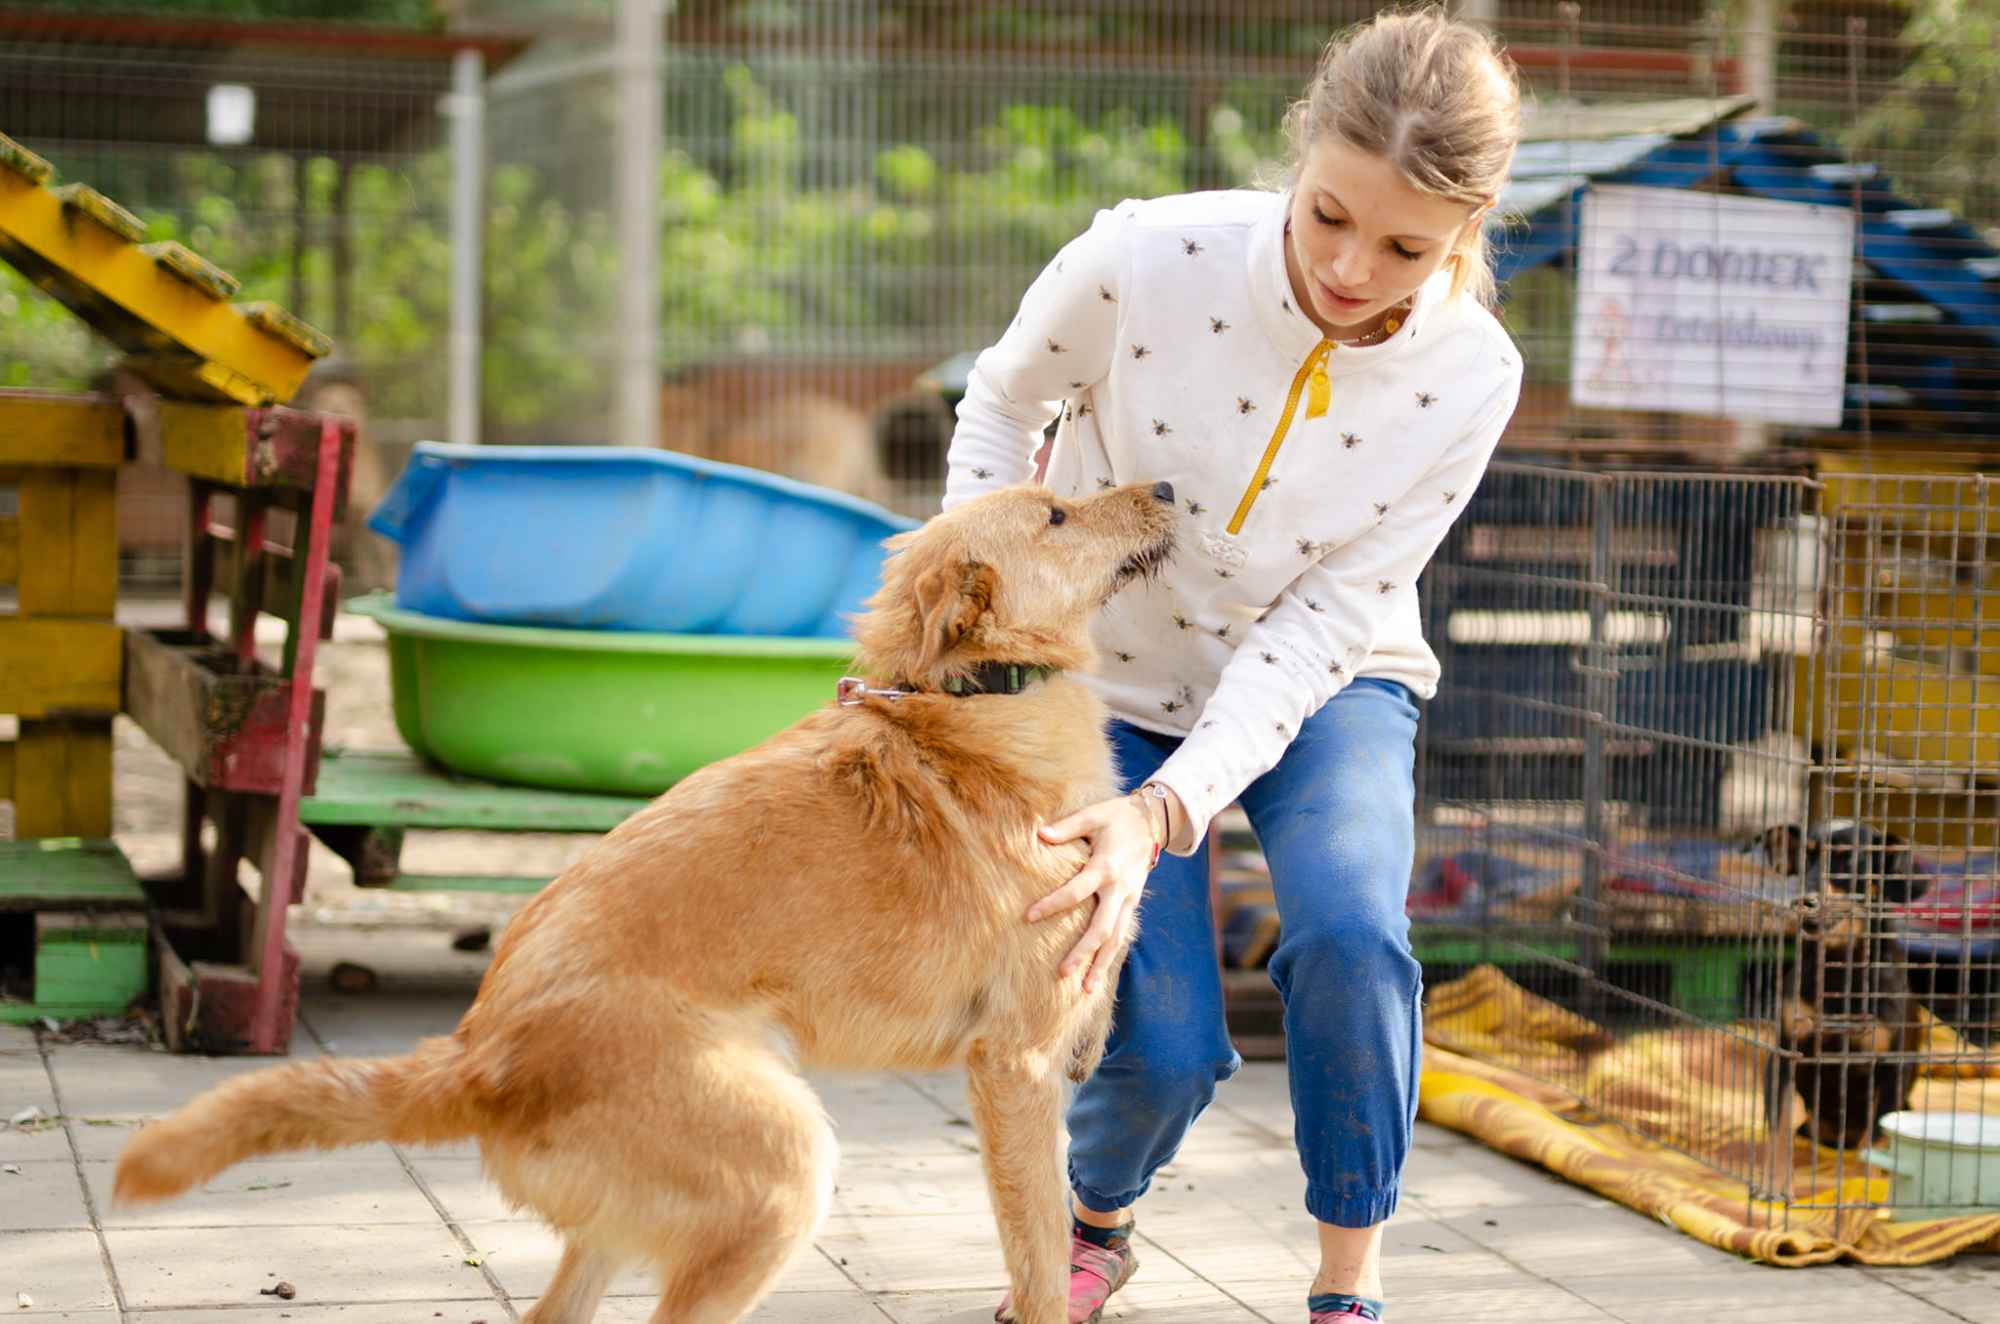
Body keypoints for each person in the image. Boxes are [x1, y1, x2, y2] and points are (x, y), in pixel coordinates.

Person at [939, 9, 1525, 1323]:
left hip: (1329, 681)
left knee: (1353, 936)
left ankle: (1345, 1288)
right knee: (1160, 1048)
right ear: (1302, 156)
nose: (1353, 268)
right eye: (1330, 217)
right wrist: (990, 611)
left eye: (1406, 247)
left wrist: (1172, 810)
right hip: (1104, 683)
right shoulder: (1145, 260)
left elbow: (1325, 619)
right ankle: (1099, 1220)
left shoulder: (1474, 376)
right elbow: (1002, 402)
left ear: (1469, 225)